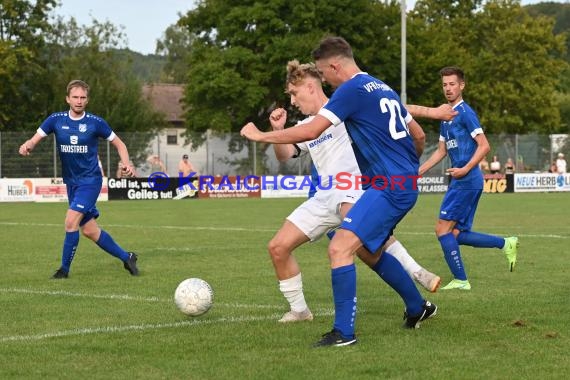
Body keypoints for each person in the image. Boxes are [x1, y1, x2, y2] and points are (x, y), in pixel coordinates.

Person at [242, 36, 435, 347]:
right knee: (354, 248)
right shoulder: (380, 86)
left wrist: (260, 135)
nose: (325, 79)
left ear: (333, 66)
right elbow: (419, 134)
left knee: (343, 248)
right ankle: (416, 306)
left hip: (372, 188)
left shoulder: (349, 93)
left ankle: (344, 333)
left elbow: (312, 129)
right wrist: (407, 166)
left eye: (323, 72)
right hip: (374, 186)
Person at [18, 79, 139, 279]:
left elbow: (120, 144)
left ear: (87, 100)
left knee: (70, 221)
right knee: (90, 230)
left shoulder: (95, 122)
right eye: (75, 97)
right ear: (68, 99)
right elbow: (34, 139)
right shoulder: (55, 120)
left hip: (90, 181)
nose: (79, 101)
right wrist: (27, 146)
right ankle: (127, 257)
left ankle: (63, 270)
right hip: (72, 183)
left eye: (83, 97)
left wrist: (127, 163)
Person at [418, 66, 518, 291]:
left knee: (442, 229)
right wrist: (420, 169)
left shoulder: (466, 113)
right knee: (455, 234)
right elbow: (441, 151)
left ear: (461, 85)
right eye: (444, 85)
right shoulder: (446, 117)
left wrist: (465, 169)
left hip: (466, 180)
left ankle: (461, 280)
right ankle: (505, 243)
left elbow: (484, 145)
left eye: (452, 84)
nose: (448, 89)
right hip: (465, 181)